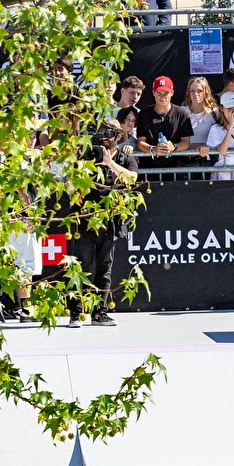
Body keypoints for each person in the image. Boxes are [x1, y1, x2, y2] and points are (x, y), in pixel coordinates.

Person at [66, 118, 138, 327]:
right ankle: (76, 312)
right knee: (81, 265)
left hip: (111, 218)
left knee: (105, 267)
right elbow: (71, 181)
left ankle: (100, 312)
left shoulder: (125, 158)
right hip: (86, 217)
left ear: (118, 136)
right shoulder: (86, 155)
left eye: (108, 134)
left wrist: (109, 163)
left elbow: (132, 179)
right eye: (100, 134)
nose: (103, 138)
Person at [135, 76, 193, 163]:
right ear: (153, 93)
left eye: (166, 93)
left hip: (177, 167)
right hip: (150, 167)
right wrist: (153, 149)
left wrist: (173, 147)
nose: (162, 96)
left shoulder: (182, 114)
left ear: (172, 93)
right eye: (159, 93)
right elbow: (140, 142)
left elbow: (186, 142)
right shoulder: (144, 114)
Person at [182, 76, 218, 163]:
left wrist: (207, 146)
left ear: (206, 92)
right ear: (189, 93)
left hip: (210, 160)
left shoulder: (215, 113)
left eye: (200, 91)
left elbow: (220, 137)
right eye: (192, 91)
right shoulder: (182, 111)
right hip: (186, 160)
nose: (196, 94)